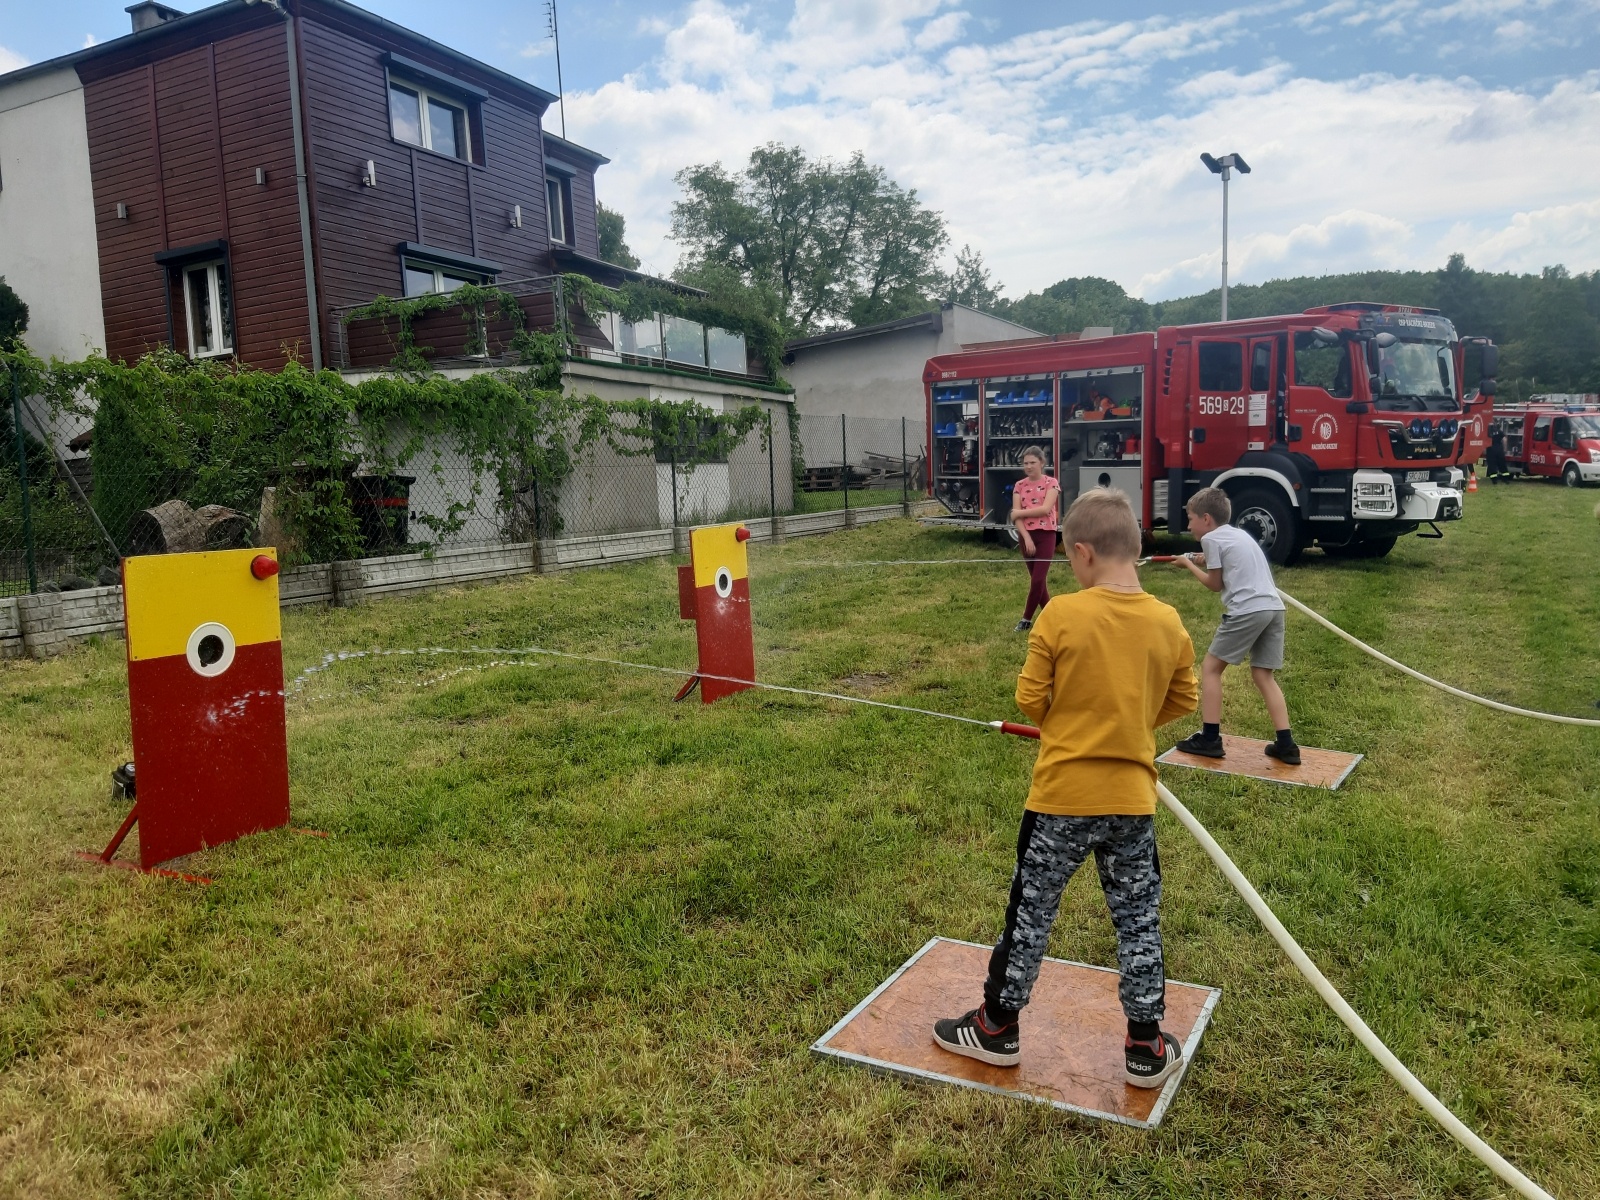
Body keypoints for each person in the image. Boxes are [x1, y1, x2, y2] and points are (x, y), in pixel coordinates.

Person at [933, 488, 1198, 1087]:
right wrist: (1126, 722)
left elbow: (1030, 698)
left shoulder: (1060, 615)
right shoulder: (1167, 621)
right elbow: (1182, 697)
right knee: (1139, 919)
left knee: (1030, 913)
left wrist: (1076, 722)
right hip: (1132, 803)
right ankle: (1146, 1044)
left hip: (1059, 801)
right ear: (1133, 549)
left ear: (1080, 554)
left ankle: (997, 1028)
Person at [1171, 487, 1299, 764]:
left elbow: (1214, 584)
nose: (1189, 524)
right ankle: (1287, 745)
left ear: (1206, 519)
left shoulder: (1212, 538)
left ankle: (1210, 738)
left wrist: (1188, 565)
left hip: (1247, 610)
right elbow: (1233, 560)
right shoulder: (1239, 534)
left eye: (1190, 518)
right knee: (1264, 675)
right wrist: (1203, 559)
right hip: (1273, 608)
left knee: (1210, 669)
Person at [1009, 447, 1060, 633]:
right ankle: (1052, 618)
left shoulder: (1051, 483)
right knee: (1038, 582)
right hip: (1026, 537)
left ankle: (1026, 619)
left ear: (1042, 463)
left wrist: (1019, 512)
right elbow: (1016, 519)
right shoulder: (1019, 486)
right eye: (1026, 463)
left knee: (1038, 580)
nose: (1029, 467)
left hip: (1047, 535)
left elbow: (1046, 509)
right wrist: (1026, 537)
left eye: (1033, 463)